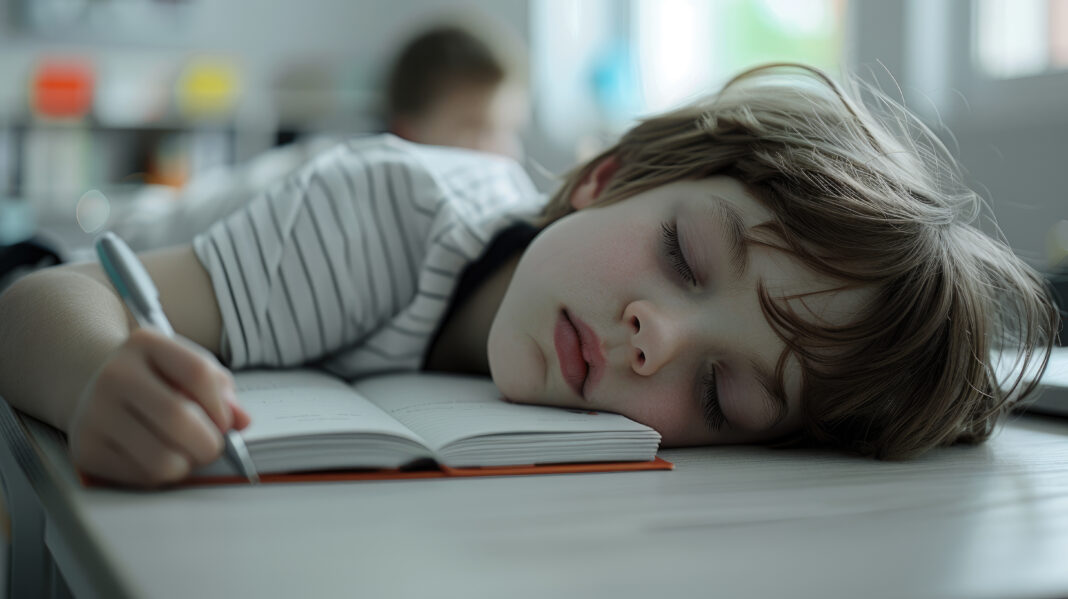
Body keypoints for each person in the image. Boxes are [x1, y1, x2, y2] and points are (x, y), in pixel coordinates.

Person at [0, 64, 1058, 488]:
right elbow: (45, 297)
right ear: (605, 176)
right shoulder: (392, 213)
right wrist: (100, 377)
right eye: (686, 257)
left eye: (722, 392)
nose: (661, 338)